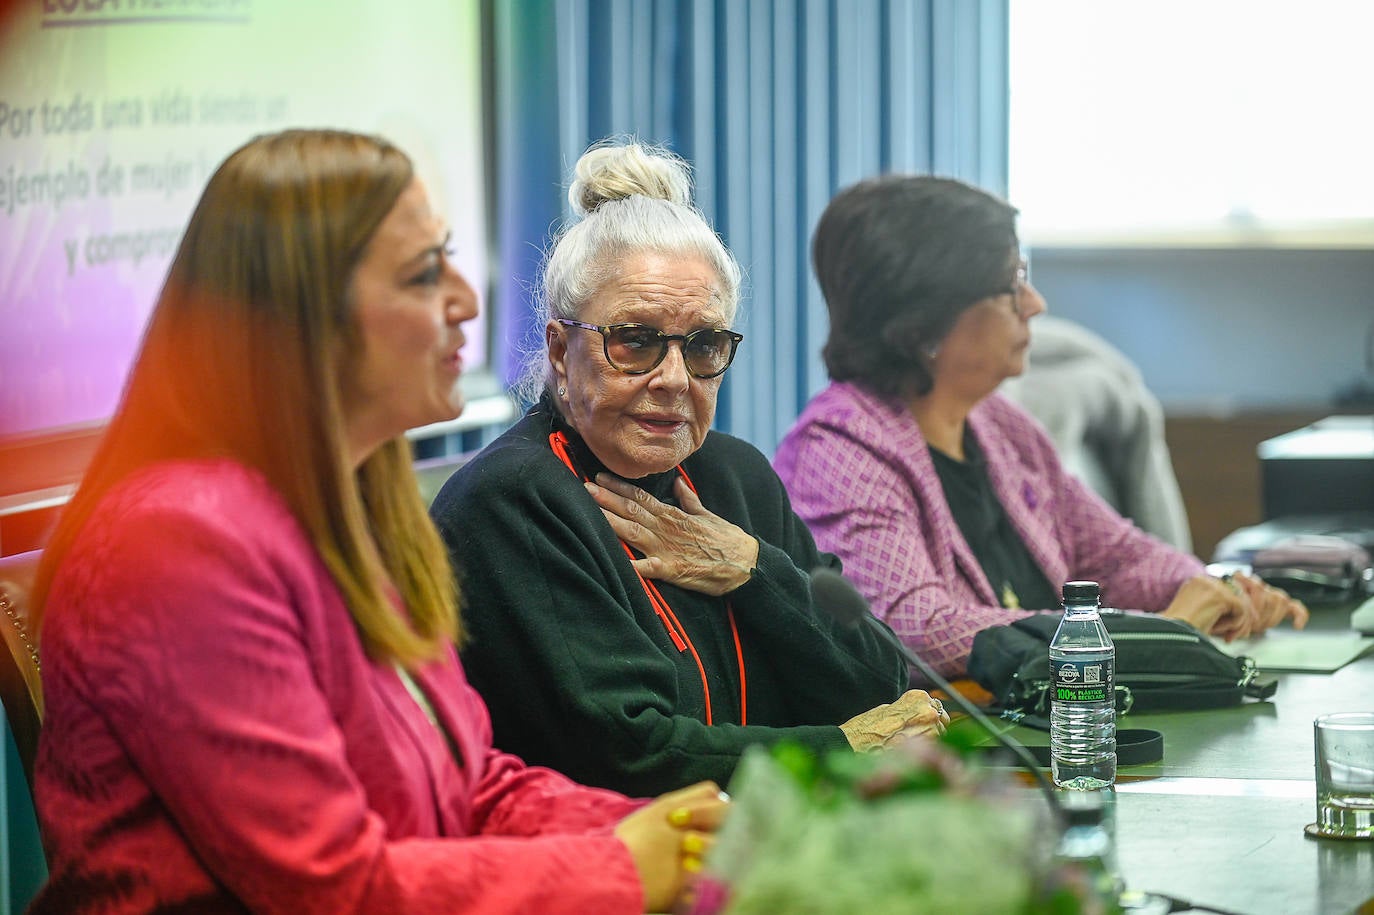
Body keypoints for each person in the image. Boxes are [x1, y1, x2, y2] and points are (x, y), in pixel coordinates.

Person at [28, 129, 729, 915]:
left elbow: (465, 782)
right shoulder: (176, 546)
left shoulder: (351, 508)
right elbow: (332, 887)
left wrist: (671, 832)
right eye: (425, 273)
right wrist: (624, 870)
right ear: (300, 320)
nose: (467, 299)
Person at [430, 141, 947, 798]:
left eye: (704, 344)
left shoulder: (737, 476)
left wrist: (755, 571)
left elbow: (875, 681)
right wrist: (841, 748)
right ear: (561, 351)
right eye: (635, 341)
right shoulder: (512, 502)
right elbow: (626, 752)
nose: (674, 379)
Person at [773, 175, 1309, 680]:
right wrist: (1157, 635)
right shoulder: (838, 451)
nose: (1035, 305)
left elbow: (1118, 555)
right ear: (926, 324)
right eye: (1012, 287)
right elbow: (919, 629)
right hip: (953, 751)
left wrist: (1215, 587)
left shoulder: (1000, 425)